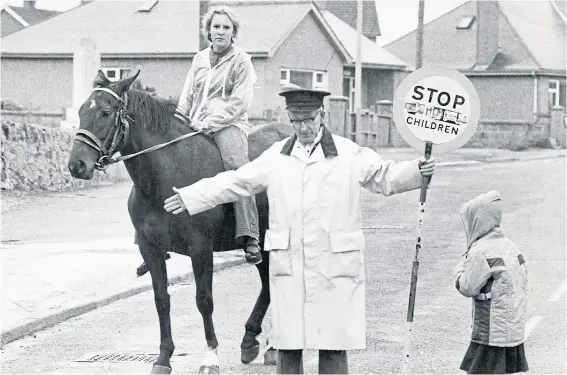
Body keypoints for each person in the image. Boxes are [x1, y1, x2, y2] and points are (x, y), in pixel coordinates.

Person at [164, 86, 436, 374]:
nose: (304, 127)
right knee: (289, 345)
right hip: (290, 264)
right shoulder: (276, 157)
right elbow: (236, 181)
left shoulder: (347, 153)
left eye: (310, 119)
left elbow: (384, 176)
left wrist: (419, 170)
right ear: (290, 120)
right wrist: (190, 195)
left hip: (334, 263)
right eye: (296, 120)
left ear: (322, 116)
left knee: (332, 343)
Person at [179, 5, 261, 264]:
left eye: (226, 27)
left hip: (229, 125)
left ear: (233, 32)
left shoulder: (242, 61)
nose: (221, 32)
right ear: (208, 31)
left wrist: (211, 123)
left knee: (239, 171)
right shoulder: (199, 59)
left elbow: (239, 103)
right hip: (195, 123)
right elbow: (187, 95)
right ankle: (152, 236)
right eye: (216, 27)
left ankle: (250, 236)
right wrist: (181, 119)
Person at [453, 190, 529, 374]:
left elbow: (467, 287)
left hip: (490, 330)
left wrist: (458, 271)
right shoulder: (510, 246)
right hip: (512, 328)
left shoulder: (480, 251)